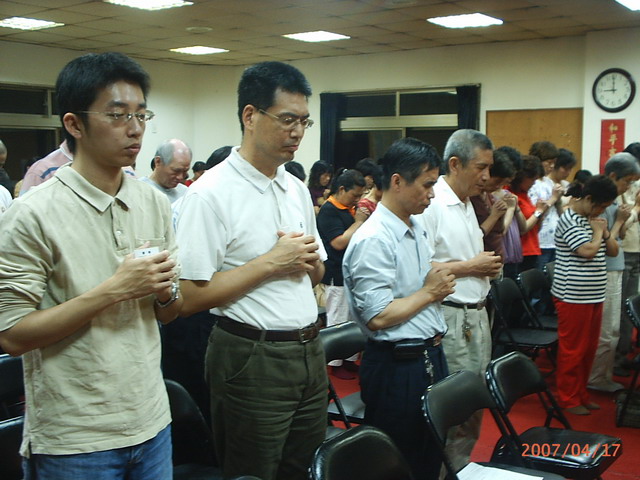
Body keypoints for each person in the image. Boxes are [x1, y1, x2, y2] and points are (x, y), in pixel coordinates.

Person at [0, 52, 181, 479]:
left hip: (152, 420)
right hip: (76, 438)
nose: (135, 128)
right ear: (74, 124)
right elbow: (11, 335)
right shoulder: (32, 213)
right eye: (117, 115)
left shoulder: (153, 202)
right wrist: (114, 290)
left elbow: (170, 312)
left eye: (141, 114)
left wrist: (164, 293)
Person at [175, 61, 327, 480]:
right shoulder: (210, 194)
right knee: (253, 471)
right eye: (287, 120)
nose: (297, 132)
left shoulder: (294, 187)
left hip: (308, 348)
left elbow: (314, 275)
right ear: (250, 116)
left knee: (304, 467)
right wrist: (271, 262)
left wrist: (308, 264)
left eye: (304, 121)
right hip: (250, 354)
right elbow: (188, 297)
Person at [343, 137, 455, 479]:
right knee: (397, 463)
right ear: (396, 181)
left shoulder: (415, 226)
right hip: (397, 366)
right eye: (427, 185)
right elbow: (378, 317)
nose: (432, 195)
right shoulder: (374, 238)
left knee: (429, 454)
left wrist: (431, 290)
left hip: (428, 355)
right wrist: (430, 292)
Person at [414, 129, 502, 472]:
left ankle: (459, 470)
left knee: (474, 406)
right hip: (451, 318)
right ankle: (441, 471)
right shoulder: (432, 203)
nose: (487, 176)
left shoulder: (467, 203)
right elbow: (419, 269)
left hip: (477, 315)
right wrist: (472, 267)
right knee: (453, 409)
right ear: (454, 164)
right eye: (480, 168)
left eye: (489, 168)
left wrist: (482, 269)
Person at [552, 175, 619, 415]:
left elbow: (613, 251)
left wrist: (604, 232)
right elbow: (587, 250)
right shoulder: (569, 219)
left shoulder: (593, 220)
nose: (602, 211)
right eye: (601, 206)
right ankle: (568, 399)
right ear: (588, 198)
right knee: (573, 350)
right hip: (573, 296)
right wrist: (598, 232)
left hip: (594, 294)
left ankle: (581, 393)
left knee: (589, 349)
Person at [588, 153, 638, 393]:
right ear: (613, 176)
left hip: (615, 268)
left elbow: (619, 235)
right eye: (626, 181)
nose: (628, 187)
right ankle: (597, 378)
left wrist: (625, 217)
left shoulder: (615, 201)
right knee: (606, 330)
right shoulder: (602, 202)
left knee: (613, 329)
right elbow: (607, 242)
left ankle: (604, 375)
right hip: (605, 270)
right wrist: (621, 220)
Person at [317, 169, 367, 379]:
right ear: (342, 189)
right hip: (335, 273)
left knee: (352, 318)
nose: (357, 199)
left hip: (351, 272)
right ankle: (335, 363)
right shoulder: (329, 210)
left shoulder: (349, 209)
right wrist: (359, 222)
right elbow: (338, 242)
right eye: (355, 195)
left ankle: (349, 359)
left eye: (360, 195)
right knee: (338, 317)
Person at [529, 148, 577, 269]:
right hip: (541, 240)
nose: (551, 166)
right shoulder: (534, 184)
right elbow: (536, 211)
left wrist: (559, 201)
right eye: (549, 162)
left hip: (555, 239)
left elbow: (559, 210)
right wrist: (554, 198)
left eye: (553, 163)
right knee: (540, 275)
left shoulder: (550, 183)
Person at [616, 143, 640, 376]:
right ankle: (617, 355)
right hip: (624, 249)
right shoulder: (620, 186)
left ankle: (624, 351)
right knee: (622, 305)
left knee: (631, 303)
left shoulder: (635, 184)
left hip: (636, 248)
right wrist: (636, 209)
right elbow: (621, 222)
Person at [507, 155, 550, 273]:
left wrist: (540, 213)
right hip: (520, 251)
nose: (533, 183)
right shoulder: (510, 195)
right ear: (523, 177)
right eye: (532, 179)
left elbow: (536, 228)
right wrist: (538, 212)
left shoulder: (524, 194)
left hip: (532, 248)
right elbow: (522, 229)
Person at [139, 139, 192, 203]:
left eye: (185, 171)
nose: (180, 177)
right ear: (158, 162)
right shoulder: (139, 191)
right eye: (176, 171)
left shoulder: (185, 192)